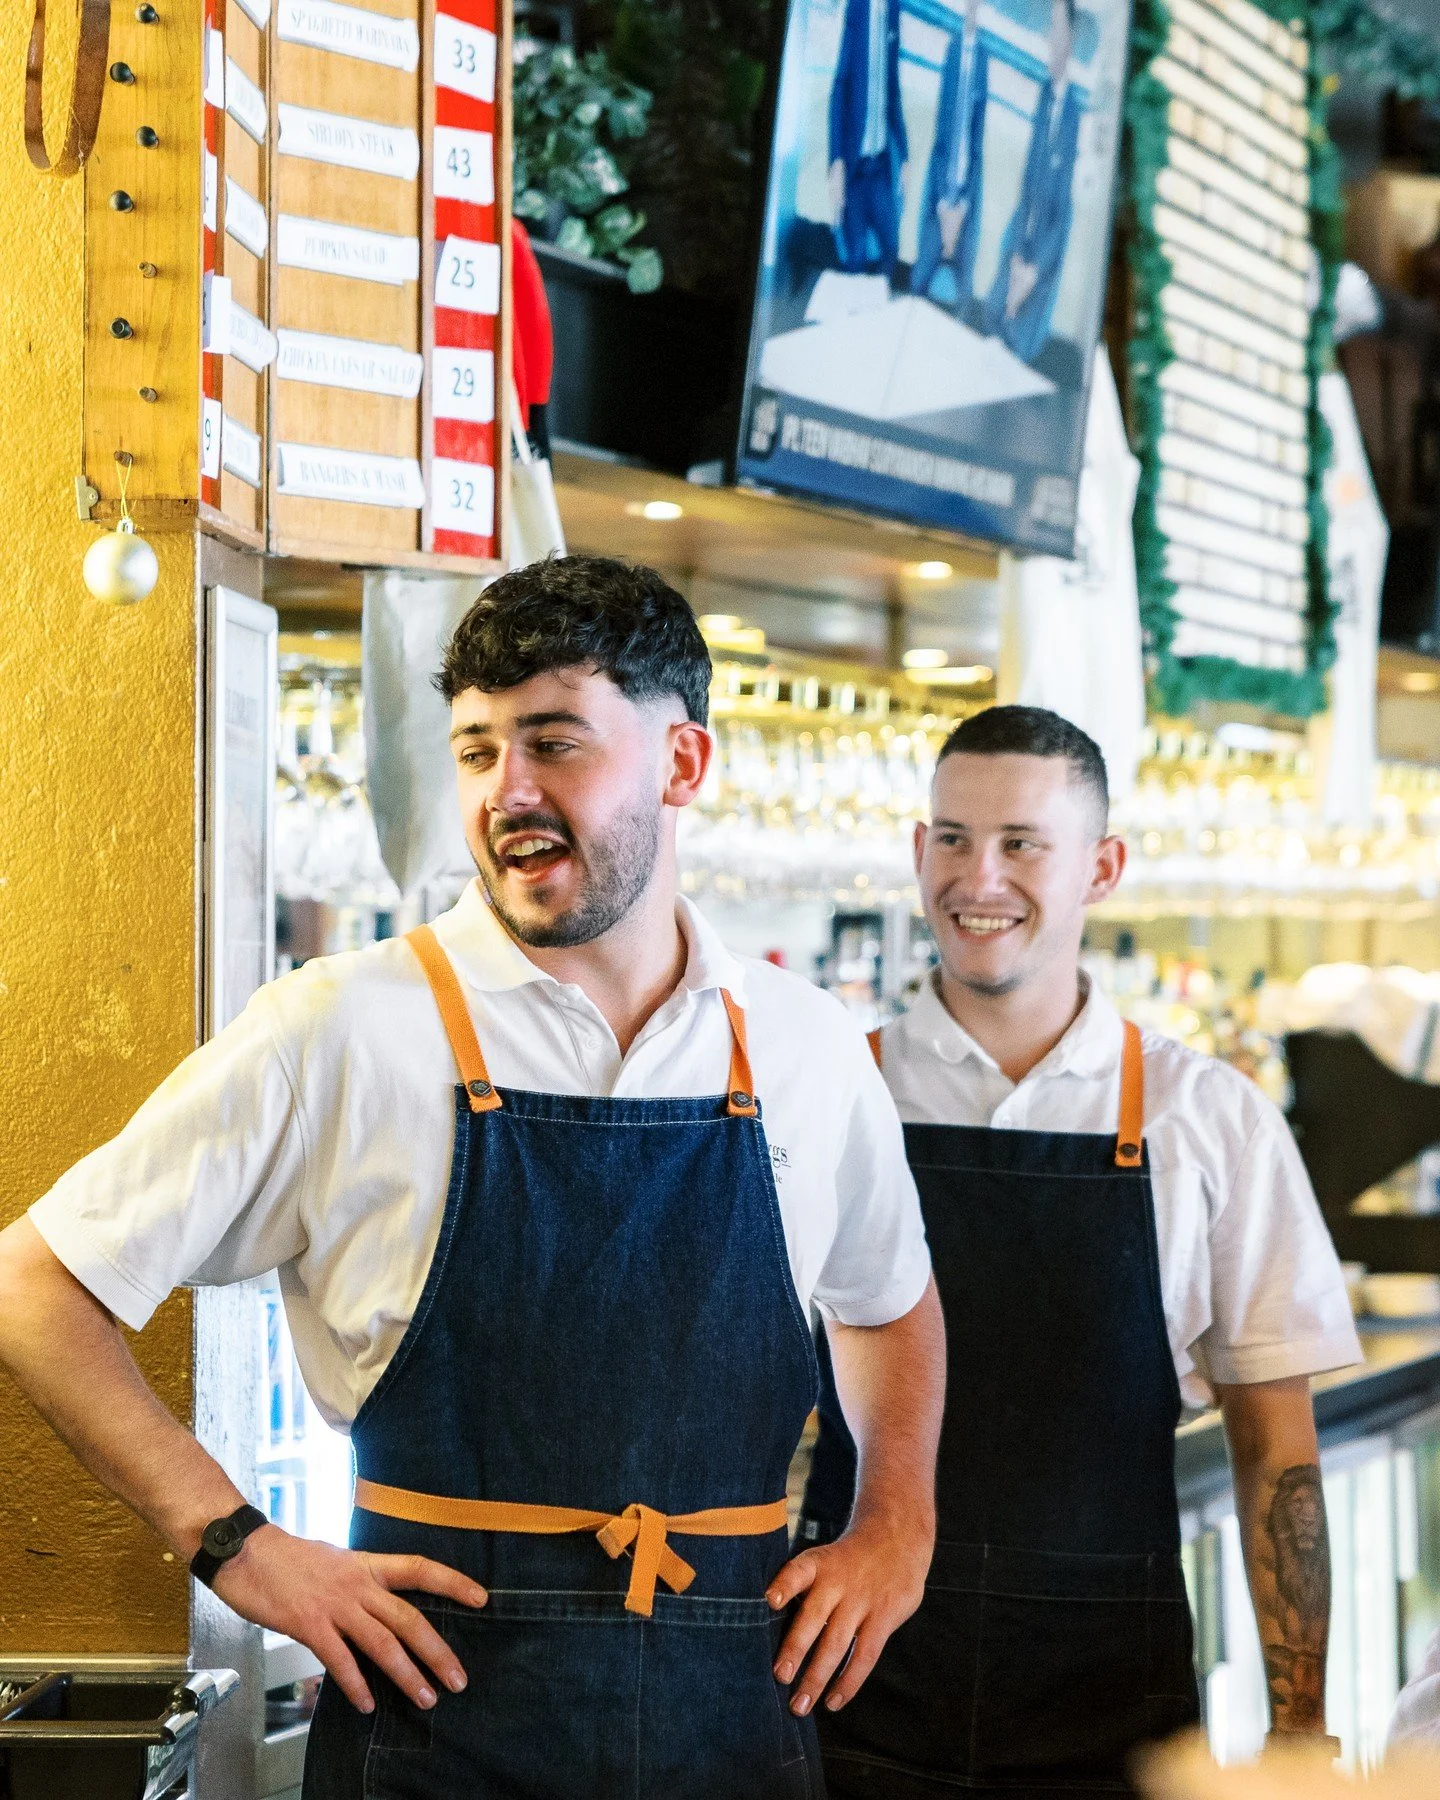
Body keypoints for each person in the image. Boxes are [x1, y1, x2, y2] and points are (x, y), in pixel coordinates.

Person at [0, 557, 946, 1800]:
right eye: (477, 750)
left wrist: (897, 1521)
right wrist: (234, 1544)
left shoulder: (805, 1044)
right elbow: (35, 1282)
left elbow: (889, 1301)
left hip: (736, 1719)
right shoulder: (339, 1027)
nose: (510, 794)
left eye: (555, 744)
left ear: (682, 766)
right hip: (438, 1728)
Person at [800, 706, 1362, 1796]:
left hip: (1108, 1700)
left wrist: (1302, 1725)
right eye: (953, 839)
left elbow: (1275, 1450)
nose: (979, 878)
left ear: (1101, 868)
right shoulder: (831, 1088)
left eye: (1022, 844)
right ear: (918, 853)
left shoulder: (1207, 1119)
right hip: (850, 1686)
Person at [983, 0, 1081, 363]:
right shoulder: (1045, 95)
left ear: (1070, 38)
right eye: (1048, 30)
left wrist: (1032, 271)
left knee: (1019, 346)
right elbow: (1029, 187)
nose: (1050, 39)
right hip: (1021, 239)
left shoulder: (1074, 115)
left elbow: (1063, 212)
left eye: (1057, 30)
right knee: (991, 321)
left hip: (1043, 257)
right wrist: (1014, 258)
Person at [910, 0, 988, 313]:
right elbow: (942, 128)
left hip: (966, 189)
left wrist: (965, 201)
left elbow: (978, 133)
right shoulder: (952, 49)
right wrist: (944, 202)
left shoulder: (983, 57)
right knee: (923, 269)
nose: (972, 9)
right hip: (940, 185)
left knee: (963, 285)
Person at [828, 0, 909, 278]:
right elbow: (839, 87)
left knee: (891, 247)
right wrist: (835, 159)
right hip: (854, 169)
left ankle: (877, 305)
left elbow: (893, 89)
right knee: (856, 256)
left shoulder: (895, 10)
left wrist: (906, 156)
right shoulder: (857, 7)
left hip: (879, 168)